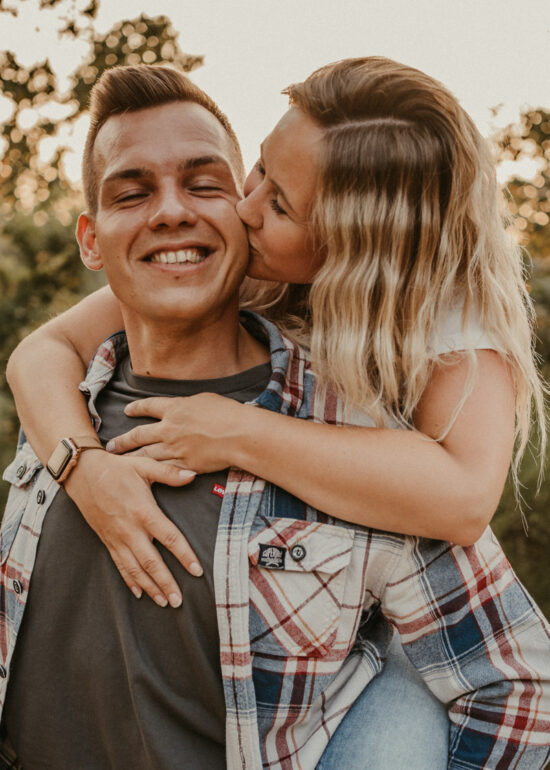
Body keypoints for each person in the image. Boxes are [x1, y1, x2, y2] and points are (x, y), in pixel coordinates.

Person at [1, 62, 550, 770]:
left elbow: (466, 503)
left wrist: (241, 431)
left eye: (275, 202)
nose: (247, 207)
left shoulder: (430, 353)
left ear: (346, 247)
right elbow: (37, 352)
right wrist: (83, 465)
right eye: (256, 171)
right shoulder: (91, 377)